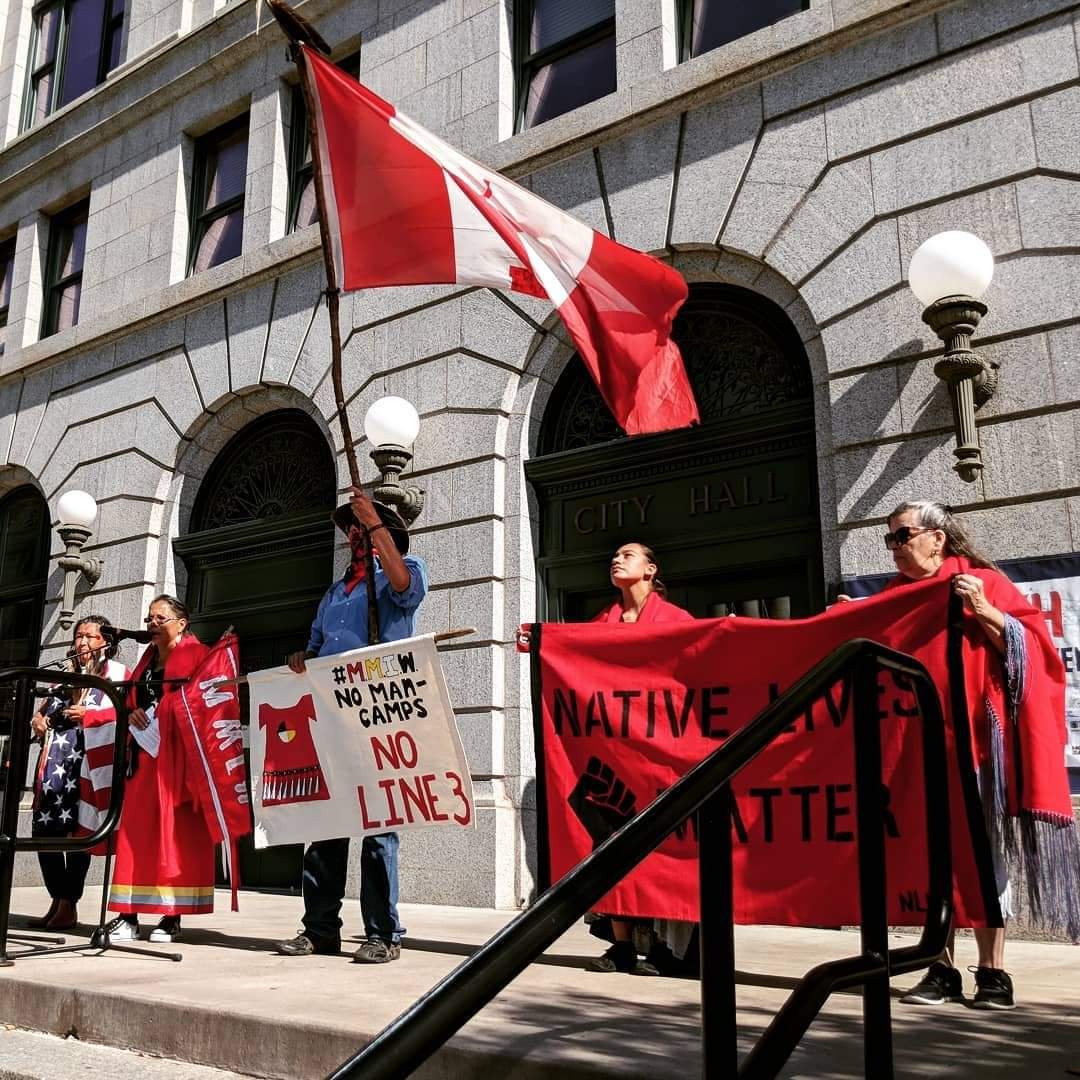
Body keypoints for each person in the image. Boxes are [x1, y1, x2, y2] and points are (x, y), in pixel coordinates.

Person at [855, 500, 1073, 1010]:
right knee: (928, 861)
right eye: (889, 539)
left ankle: (993, 973)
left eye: (902, 535)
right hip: (912, 751)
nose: (895, 547)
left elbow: (1035, 652)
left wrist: (987, 613)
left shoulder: (983, 584)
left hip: (973, 747)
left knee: (980, 857)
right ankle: (939, 969)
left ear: (937, 537)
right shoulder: (893, 598)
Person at [276, 486, 428, 963]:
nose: (355, 535)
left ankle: (384, 932)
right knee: (325, 825)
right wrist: (304, 658)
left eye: (363, 527)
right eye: (353, 529)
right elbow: (318, 646)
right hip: (331, 718)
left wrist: (375, 521)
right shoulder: (334, 592)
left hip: (379, 715)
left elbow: (404, 587)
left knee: (379, 828)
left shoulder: (404, 571)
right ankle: (320, 928)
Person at [585, 542, 696, 975]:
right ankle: (622, 945)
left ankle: (673, 950)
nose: (616, 559)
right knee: (612, 848)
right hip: (616, 756)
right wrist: (537, 645)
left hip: (663, 756)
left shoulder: (676, 620)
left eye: (627, 555)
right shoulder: (602, 621)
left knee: (667, 853)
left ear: (650, 569)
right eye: (613, 554)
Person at [105, 595, 215, 943]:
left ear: (182, 623)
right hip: (143, 756)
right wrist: (132, 710)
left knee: (175, 838)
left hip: (178, 761)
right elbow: (130, 697)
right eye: (149, 618)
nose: (152, 623)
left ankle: (171, 916)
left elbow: (209, 701)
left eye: (160, 618)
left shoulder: (200, 654)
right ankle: (127, 915)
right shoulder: (147, 659)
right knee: (135, 836)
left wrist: (168, 712)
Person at [27, 615, 127, 931]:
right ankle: (58, 898)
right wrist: (38, 721)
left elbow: (126, 713)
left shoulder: (118, 674)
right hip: (57, 766)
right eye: (78, 636)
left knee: (81, 835)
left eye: (89, 637)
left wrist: (89, 713)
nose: (81, 642)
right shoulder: (63, 677)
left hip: (87, 767)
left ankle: (69, 904)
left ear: (106, 642)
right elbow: (41, 715)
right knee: (46, 834)